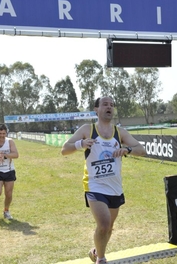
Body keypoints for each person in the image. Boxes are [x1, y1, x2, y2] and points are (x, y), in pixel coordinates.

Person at [61, 96, 146, 264]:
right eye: (105, 104)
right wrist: (81, 144)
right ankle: (101, 259)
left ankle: (95, 252)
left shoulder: (119, 132)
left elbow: (141, 150)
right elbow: (64, 149)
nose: (109, 107)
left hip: (115, 187)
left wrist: (127, 149)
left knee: (108, 229)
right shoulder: (88, 129)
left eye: (112, 105)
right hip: (94, 185)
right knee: (104, 224)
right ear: (96, 109)